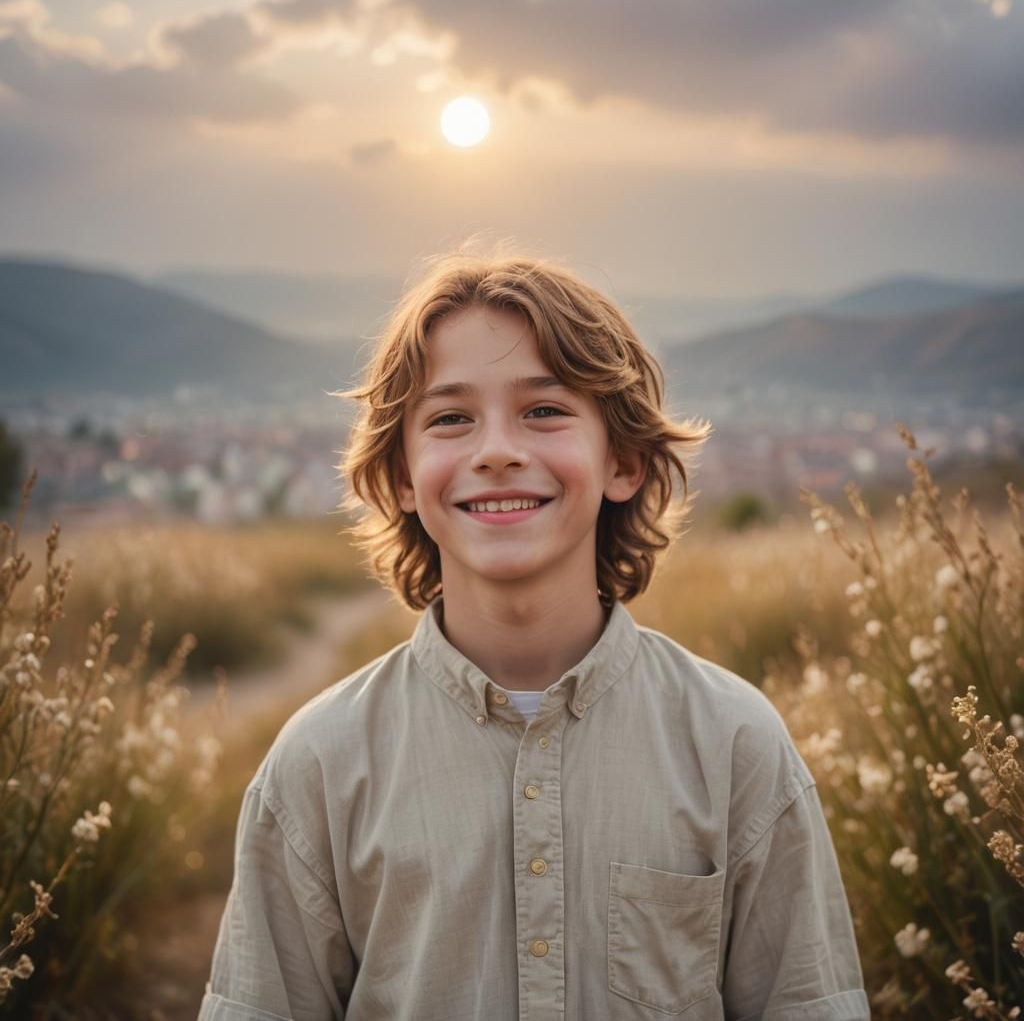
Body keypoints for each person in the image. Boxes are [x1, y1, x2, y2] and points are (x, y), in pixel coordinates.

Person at [198, 245, 869, 1020]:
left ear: (623, 461)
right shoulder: (317, 766)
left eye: (544, 410)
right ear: (402, 479)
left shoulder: (736, 745)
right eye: (450, 419)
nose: (498, 451)